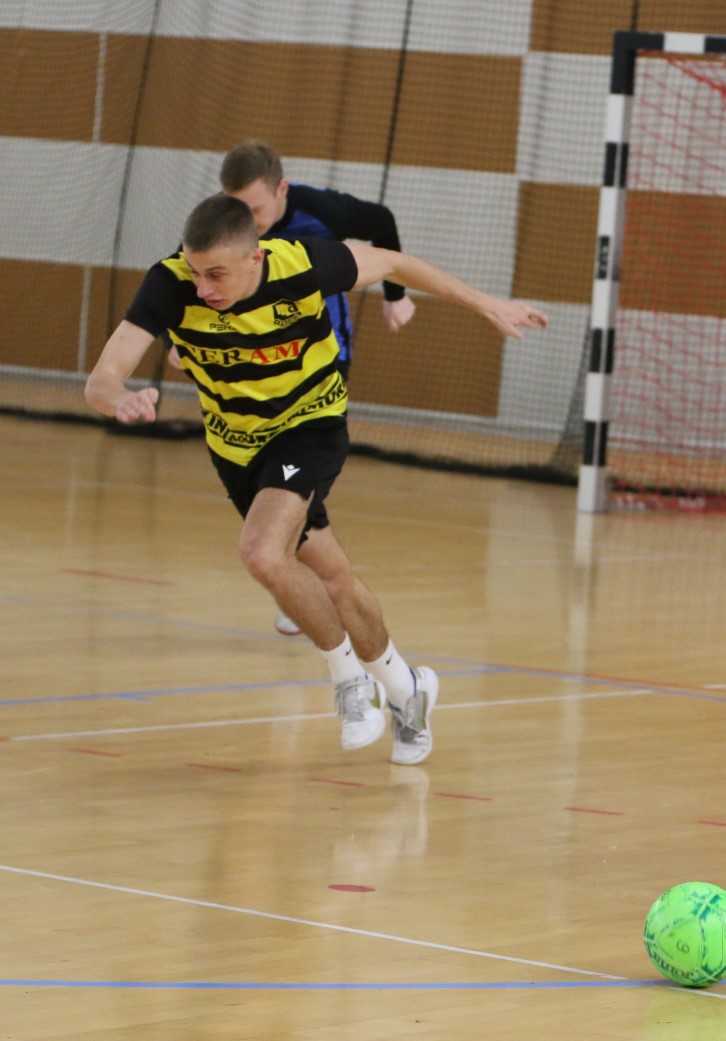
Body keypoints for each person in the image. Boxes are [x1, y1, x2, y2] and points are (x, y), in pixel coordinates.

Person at [86, 194, 548, 765]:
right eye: (195, 270)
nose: (202, 287)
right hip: (237, 448)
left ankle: (350, 684)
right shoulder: (170, 283)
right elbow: (102, 378)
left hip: (310, 425)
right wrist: (119, 399)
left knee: (261, 552)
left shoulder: (303, 263)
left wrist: (486, 303)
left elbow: (395, 263)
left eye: (216, 274)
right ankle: (407, 688)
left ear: (255, 258)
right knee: (331, 577)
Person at [215, 141, 414, 636]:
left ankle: (299, 579)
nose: (247, 221)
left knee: (296, 470)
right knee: (275, 477)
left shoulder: (321, 211)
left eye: (256, 209)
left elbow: (381, 221)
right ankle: (303, 577)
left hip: (323, 361)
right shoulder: (223, 226)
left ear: (282, 189)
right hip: (259, 367)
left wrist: (395, 295)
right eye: (237, 208)